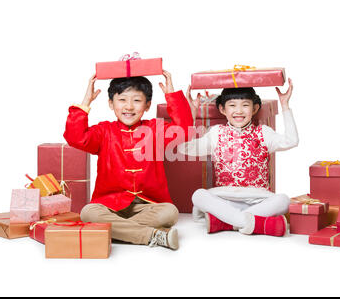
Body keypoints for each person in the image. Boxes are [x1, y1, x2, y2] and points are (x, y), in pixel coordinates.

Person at [64, 71, 194, 250]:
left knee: (170, 213)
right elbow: (75, 137)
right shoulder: (104, 131)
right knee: (88, 213)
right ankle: (151, 235)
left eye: (137, 100)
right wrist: (86, 102)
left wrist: (171, 95)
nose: (129, 107)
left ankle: (114, 230)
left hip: (148, 204)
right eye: (122, 99)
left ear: (147, 105)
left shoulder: (154, 129)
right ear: (111, 103)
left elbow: (184, 131)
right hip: (110, 204)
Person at [180, 78, 298, 236]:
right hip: (224, 199)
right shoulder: (217, 133)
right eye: (232, 105)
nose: (239, 111)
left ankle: (225, 222)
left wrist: (285, 105)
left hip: (258, 199)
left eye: (245, 105)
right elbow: (184, 147)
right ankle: (251, 222)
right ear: (222, 109)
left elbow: (292, 141)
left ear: (255, 108)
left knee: (283, 200)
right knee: (198, 195)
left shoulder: (263, 132)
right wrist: (191, 115)